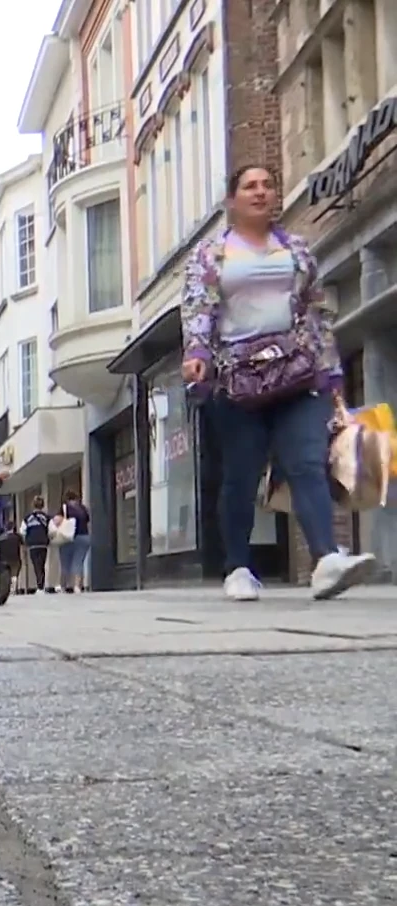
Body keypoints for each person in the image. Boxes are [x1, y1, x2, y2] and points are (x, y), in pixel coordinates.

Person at [182, 164, 378, 601]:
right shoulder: (212, 255)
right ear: (231, 200)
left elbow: (315, 312)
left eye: (267, 186)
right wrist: (196, 354)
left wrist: (332, 373)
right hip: (236, 379)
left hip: (297, 372)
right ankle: (237, 568)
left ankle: (326, 560)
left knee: (307, 461)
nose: (260, 192)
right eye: (249, 186)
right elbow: (197, 310)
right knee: (241, 473)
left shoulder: (297, 250)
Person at [56, 490, 91, 593]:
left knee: (65, 563)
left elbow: (57, 521)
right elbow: (87, 521)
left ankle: (63, 586)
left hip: (67, 537)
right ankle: (77, 587)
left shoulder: (64, 508)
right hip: (84, 537)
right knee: (79, 562)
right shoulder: (83, 508)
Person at [21, 495, 52, 594]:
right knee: (42, 564)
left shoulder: (27, 518)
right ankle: (41, 585)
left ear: (32, 505)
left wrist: (25, 541)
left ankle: (39, 585)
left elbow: (22, 531)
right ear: (42, 505)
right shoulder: (46, 517)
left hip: (32, 543)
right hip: (43, 543)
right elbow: (52, 530)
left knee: (36, 565)